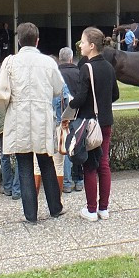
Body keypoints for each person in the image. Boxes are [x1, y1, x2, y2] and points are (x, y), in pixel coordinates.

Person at [0, 22, 66, 223]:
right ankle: (55, 208)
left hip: (18, 117)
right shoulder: (48, 62)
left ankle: (30, 214)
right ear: (37, 40)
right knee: (46, 162)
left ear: (19, 41)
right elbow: (59, 88)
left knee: (23, 165)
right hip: (42, 117)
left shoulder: (10, 62)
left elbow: (1, 89)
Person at [69, 27, 120, 220]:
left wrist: (70, 103)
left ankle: (91, 209)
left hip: (89, 124)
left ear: (91, 46)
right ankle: (103, 208)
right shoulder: (108, 67)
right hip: (105, 122)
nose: (80, 45)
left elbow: (81, 98)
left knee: (90, 165)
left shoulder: (86, 67)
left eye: (82, 42)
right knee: (104, 164)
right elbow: (115, 94)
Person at [57, 47, 84, 193]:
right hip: (77, 114)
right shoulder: (78, 73)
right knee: (77, 146)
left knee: (64, 149)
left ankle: (66, 183)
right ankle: (79, 180)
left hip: (61, 116)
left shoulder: (55, 74)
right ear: (71, 58)